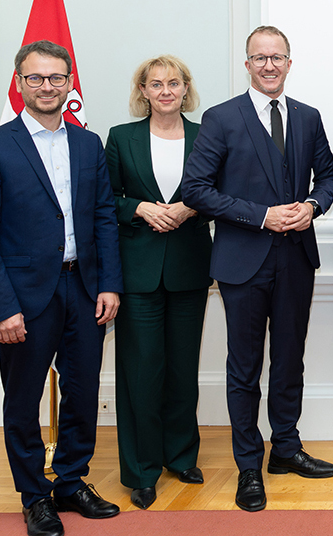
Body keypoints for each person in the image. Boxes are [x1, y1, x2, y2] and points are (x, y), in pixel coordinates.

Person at [0, 40, 122, 536]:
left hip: (84, 288)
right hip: (24, 300)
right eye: (36, 78)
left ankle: (71, 481)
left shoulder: (88, 145)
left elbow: (103, 218)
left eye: (56, 78)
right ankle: (34, 496)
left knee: (82, 390)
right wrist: (1, 307)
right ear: (20, 82)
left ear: (70, 83)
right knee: (23, 398)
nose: (47, 86)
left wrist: (110, 284)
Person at [182, 25, 333, 512]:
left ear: (290, 63)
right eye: (260, 57)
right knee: (244, 368)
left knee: (290, 360)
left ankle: (285, 450)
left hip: (296, 259)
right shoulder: (221, 117)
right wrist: (261, 216)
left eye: (278, 57)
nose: (269, 65)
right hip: (241, 261)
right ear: (246, 64)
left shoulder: (309, 117)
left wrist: (312, 205)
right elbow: (195, 189)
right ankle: (249, 464)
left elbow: (329, 178)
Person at [104, 55, 213, 509]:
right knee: (141, 373)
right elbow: (103, 199)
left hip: (189, 267)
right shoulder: (120, 138)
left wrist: (190, 207)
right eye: (156, 84)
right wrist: (139, 208)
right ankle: (142, 469)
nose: (165, 90)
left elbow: (222, 193)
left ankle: (180, 455)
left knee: (183, 370)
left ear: (185, 89)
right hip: (138, 273)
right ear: (143, 91)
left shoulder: (206, 135)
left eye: (174, 83)